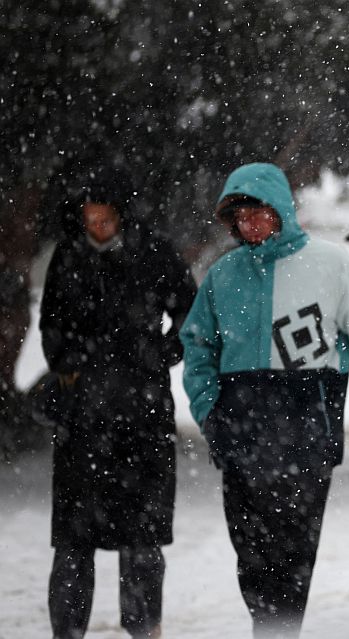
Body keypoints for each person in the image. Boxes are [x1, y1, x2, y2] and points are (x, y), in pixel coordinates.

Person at [180, 162, 349, 637]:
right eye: (240, 217)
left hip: (307, 432)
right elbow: (197, 346)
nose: (249, 225)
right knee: (250, 552)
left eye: (258, 213)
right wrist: (209, 412)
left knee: (293, 555)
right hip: (240, 431)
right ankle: (267, 627)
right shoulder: (223, 275)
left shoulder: (331, 265)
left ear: (281, 211)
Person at [41, 166, 196, 638]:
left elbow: (190, 313)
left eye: (105, 219)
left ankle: (144, 628)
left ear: (122, 216)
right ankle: (67, 631)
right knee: (72, 542)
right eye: (90, 218)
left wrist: (160, 353)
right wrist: (71, 364)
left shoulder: (155, 253)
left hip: (143, 419)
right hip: (81, 421)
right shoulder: (68, 258)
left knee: (142, 541)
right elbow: (51, 326)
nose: (97, 227)